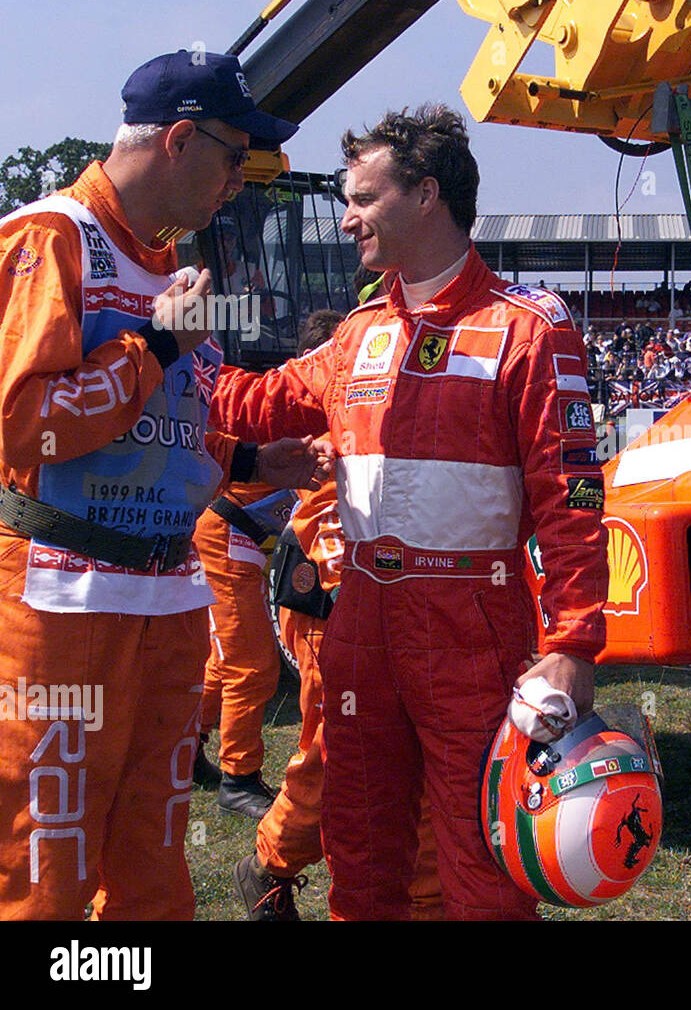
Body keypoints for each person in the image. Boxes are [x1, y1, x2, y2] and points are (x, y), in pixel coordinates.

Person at [209, 104, 608, 920]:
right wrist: (163, 345)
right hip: (358, 617)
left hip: (470, 620)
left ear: (427, 194)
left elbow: (575, 500)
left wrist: (573, 645)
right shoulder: (356, 332)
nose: (347, 217)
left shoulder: (529, 330)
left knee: (480, 858)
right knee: (360, 849)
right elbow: (253, 404)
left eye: (363, 197)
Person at [0, 49, 307, 919]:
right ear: (179, 140)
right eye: (234, 157)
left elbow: (166, 432)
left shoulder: (176, 268)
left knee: (151, 854)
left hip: (169, 600)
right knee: (47, 853)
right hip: (62, 599)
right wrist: (157, 347)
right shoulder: (49, 238)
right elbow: (22, 425)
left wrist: (248, 464)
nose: (239, 183)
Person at [233, 309, 443, 920]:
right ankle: (269, 866)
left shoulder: (400, 398)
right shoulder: (334, 416)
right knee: (338, 756)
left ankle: (422, 904)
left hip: (388, 606)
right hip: (335, 607)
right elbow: (323, 522)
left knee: (416, 764)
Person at [194, 476, 297, 817]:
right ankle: (239, 781)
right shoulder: (333, 431)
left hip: (230, 532)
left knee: (225, 663)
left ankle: (182, 753)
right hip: (228, 535)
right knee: (251, 668)